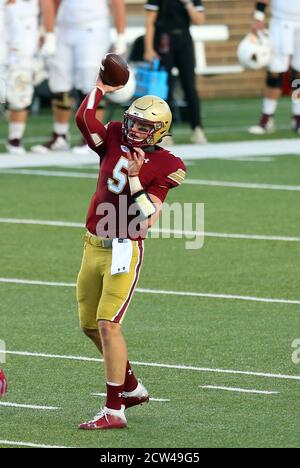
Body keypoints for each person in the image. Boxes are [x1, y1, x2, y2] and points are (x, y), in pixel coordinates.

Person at [75, 77, 186, 429]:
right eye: (134, 122)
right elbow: (83, 118)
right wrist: (100, 86)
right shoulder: (111, 136)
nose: (135, 129)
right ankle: (132, 387)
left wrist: (137, 178)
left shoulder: (168, 163)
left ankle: (114, 410)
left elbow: (148, 216)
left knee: (109, 324)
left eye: (144, 126)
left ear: (160, 131)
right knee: (90, 326)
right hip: (92, 244)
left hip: (124, 249)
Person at [31, 0, 127, 155]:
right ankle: (60, 135)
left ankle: (93, 137)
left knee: (91, 81)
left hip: (93, 27)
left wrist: (121, 35)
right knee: (59, 81)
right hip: (64, 26)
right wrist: (47, 31)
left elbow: (117, 3)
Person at [144, 0, 207, 145]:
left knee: (189, 85)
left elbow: (199, 20)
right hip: (164, 40)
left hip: (184, 40)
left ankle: (197, 128)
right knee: (166, 87)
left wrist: (188, 4)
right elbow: (150, 21)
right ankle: (165, 132)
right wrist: (148, 48)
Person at [5, 0, 56, 155]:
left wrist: (48, 34)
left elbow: (46, 4)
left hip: (24, 38)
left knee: (21, 91)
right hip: (4, 32)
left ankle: (15, 138)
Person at [249, 0, 300, 135]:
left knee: (298, 74)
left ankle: (298, 117)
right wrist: (258, 17)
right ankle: (267, 118)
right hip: (281, 20)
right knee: (275, 72)